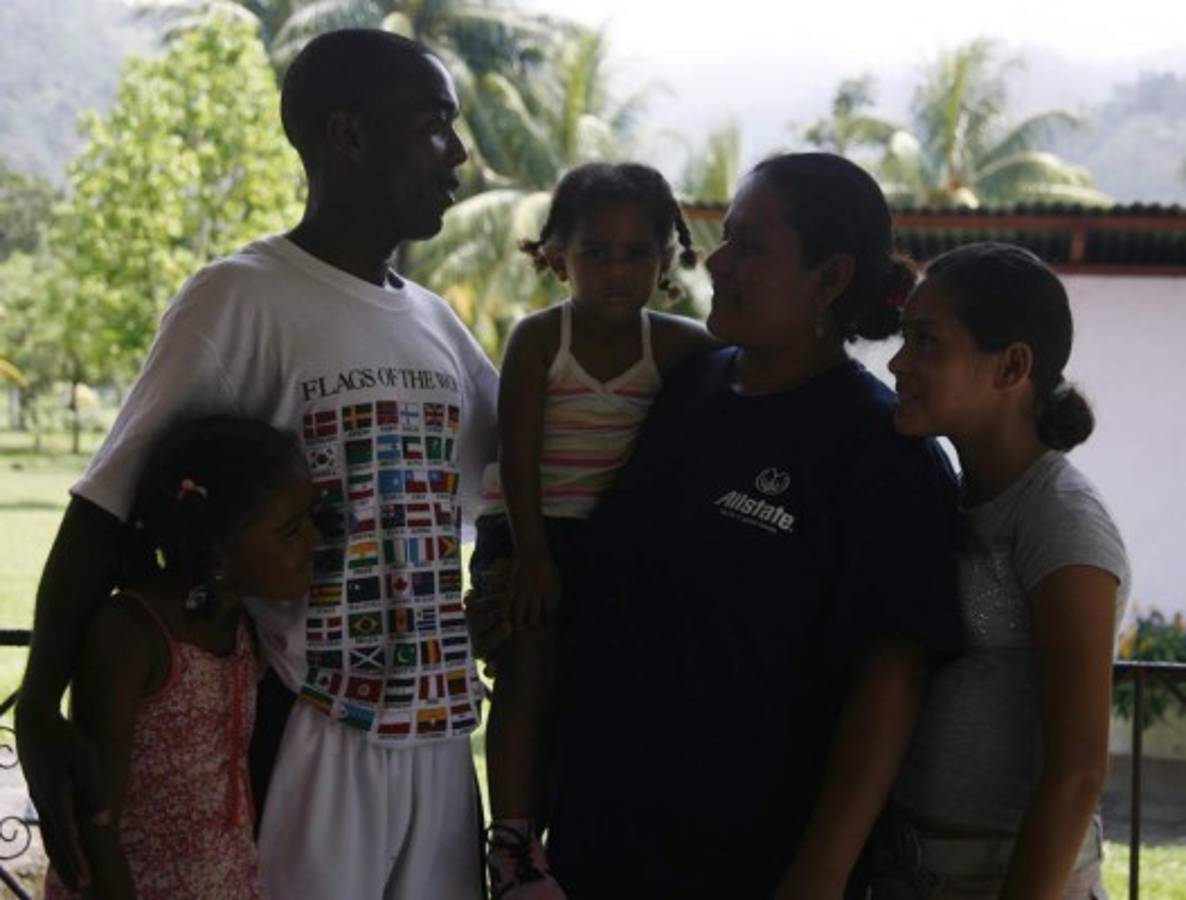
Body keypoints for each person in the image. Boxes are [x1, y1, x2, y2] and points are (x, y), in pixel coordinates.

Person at [17, 29, 497, 900]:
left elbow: (516, 483)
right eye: (434, 123)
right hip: (313, 723)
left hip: (439, 731)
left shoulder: (436, 325)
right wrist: (42, 704)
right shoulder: (242, 297)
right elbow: (104, 506)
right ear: (348, 136)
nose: (457, 152)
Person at [470, 152, 963, 899]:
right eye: (726, 237)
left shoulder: (879, 449)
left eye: (751, 247)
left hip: (744, 863)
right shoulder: (687, 387)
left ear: (830, 278)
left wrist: (820, 878)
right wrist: (512, 608)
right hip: (594, 848)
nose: (718, 261)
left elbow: (891, 680)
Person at [471, 162, 716, 897]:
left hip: (611, 544)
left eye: (638, 253)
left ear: (666, 259)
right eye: (596, 252)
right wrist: (535, 561)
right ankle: (512, 842)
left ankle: (563, 842)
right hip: (525, 530)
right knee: (530, 664)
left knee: (596, 689)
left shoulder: (679, 346)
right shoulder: (539, 339)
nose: (617, 270)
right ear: (557, 259)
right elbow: (517, 455)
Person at [873, 242, 1128, 899]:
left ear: (1012, 366)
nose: (898, 362)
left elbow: (1078, 773)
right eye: (904, 337)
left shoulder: (1060, 520)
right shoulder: (950, 498)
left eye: (927, 341)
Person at [41, 416, 317, 900]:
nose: (315, 541)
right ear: (220, 553)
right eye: (291, 531)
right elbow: (95, 823)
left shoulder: (241, 626)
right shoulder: (132, 635)